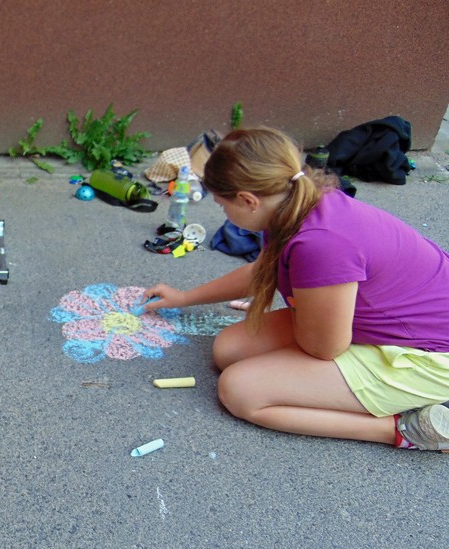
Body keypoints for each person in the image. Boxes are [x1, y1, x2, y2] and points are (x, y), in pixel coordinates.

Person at [142, 126, 449, 451]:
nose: (224, 213)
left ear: (247, 200)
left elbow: (325, 348)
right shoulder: (294, 198)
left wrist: (299, 306)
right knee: (228, 349)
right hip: (393, 323)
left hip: (428, 357)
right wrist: (185, 298)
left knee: (241, 390)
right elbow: (264, 270)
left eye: (222, 205)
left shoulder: (320, 245)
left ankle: (405, 430)